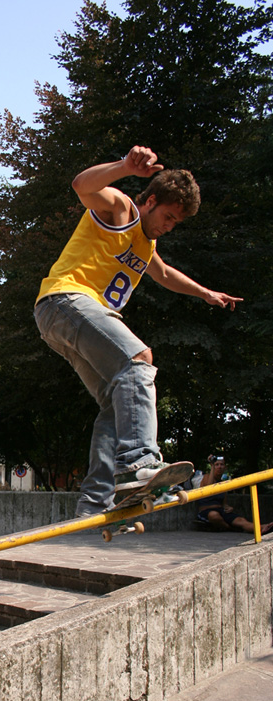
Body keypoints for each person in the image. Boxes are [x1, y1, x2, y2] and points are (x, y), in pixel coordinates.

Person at [34, 145, 243, 517]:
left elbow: (163, 274)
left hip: (60, 321)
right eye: (167, 216)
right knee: (138, 359)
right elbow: (82, 185)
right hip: (66, 300)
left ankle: (95, 500)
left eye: (176, 223)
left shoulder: (147, 245)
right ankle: (138, 462)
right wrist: (124, 167)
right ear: (148, 201)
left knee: (116, 404)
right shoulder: (122, 209)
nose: (168, 225)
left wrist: (206, 293)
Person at [197, 455, 273, 534]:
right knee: (214, 515)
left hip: (221, 511)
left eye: (221, 464)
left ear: (225, 467)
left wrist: (228, 507)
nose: (219, 467)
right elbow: (209, 487)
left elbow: (224, 504)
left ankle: (263, 527)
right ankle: (229, 528)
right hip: (207, 512)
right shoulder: (206, 477)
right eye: (217, 465)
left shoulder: (223, 483)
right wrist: (212, 465)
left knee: (241, 520)